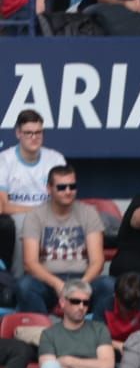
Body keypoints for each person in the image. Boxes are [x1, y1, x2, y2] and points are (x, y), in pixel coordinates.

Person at [17, 163, 114, 320]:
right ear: (49, 189)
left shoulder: (89, 213)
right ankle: (41, 335)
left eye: (72, 186)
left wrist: (81, 285)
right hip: (48, 280)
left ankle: (95, 335)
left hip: (83, 277)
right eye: (62, 187)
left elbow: (97, 261)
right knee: (25, 286)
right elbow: (30, 263)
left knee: (109, 285)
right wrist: (57, 284)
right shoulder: (35, 216)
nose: (68, 191)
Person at [0, 110, 66, 270]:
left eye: (38, 132)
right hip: (17, 218)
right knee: (25, 223)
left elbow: (64, 199)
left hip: (51, 215)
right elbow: (3, 207)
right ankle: (18, 281)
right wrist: (35, 211)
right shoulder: (5, 160)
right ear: (18, 133)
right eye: (28, 133)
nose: (34, 137)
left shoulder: (55, 159)